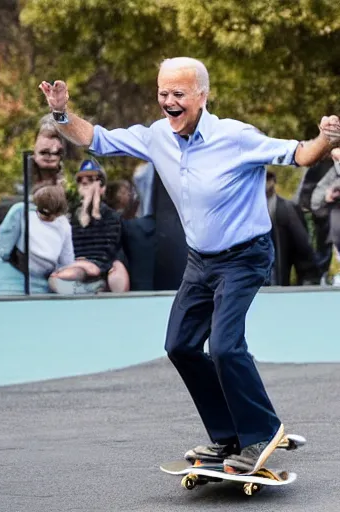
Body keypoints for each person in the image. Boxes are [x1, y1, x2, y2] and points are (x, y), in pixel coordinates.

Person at [39, 57, 340, 474]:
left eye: (178, 94)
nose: (168, 102)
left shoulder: (237, 137)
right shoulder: (156, 136)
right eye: (163, 94)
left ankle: (261, 432)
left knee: (224, 346)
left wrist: (325, 139)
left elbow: (302, 155)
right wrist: (60, 113)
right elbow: (95, 138)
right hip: (201, 262)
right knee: (179, 345)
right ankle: (228, 436)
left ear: (202, 95)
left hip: (245, 256)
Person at [49, 159, 130, 294]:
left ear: (101, 187)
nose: (85, 183)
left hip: (101, 268)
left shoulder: (111, 216)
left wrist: (94, 209)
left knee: (118, 276)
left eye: (91, 179)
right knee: (57, 278)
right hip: (78, 266)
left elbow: (106, 249)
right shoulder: (71, 217)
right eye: (81, 180)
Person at [0, 183, 74, 295]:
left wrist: (58, 277)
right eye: (43, 212)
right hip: (13, 277)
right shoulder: (20, 211)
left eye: (52, 215)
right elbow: (3, 251)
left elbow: (66, 261)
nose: (47, 217)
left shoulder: (64, 224)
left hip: (43, 283)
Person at [265, 171, 319, 286]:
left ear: (272, 181)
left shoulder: (285, 210)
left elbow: (304, 252)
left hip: (275, 286)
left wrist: (308, 284)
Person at [310, 148, 340, 285]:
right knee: (324, 250)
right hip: (323, 212)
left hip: (329, 211)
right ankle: (321, 276)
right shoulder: (328, 170)